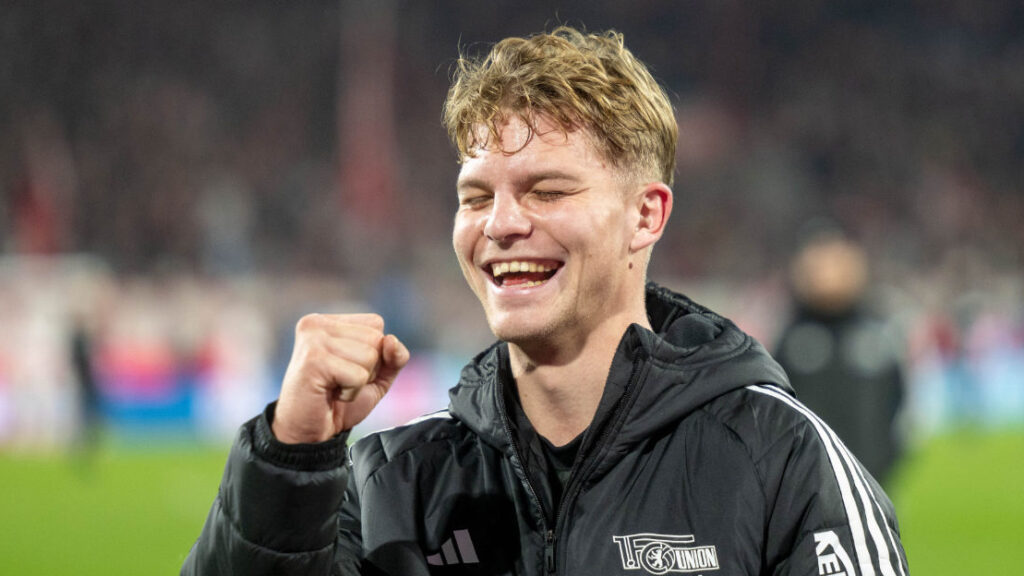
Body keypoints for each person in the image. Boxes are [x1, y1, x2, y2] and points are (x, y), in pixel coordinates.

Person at [183, 27, 909, 576]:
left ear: (646, 215)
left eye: (548, 190)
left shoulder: (782, 459)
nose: (500, 224)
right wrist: (291, 456)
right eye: (476, 197)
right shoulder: (392, 483)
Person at [774, 226, 905, 486]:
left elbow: (898, 402)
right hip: (809, 482)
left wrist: (884, 459)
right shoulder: (792, 339)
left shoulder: (876, 335)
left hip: (870, 478)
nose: (829, 272)